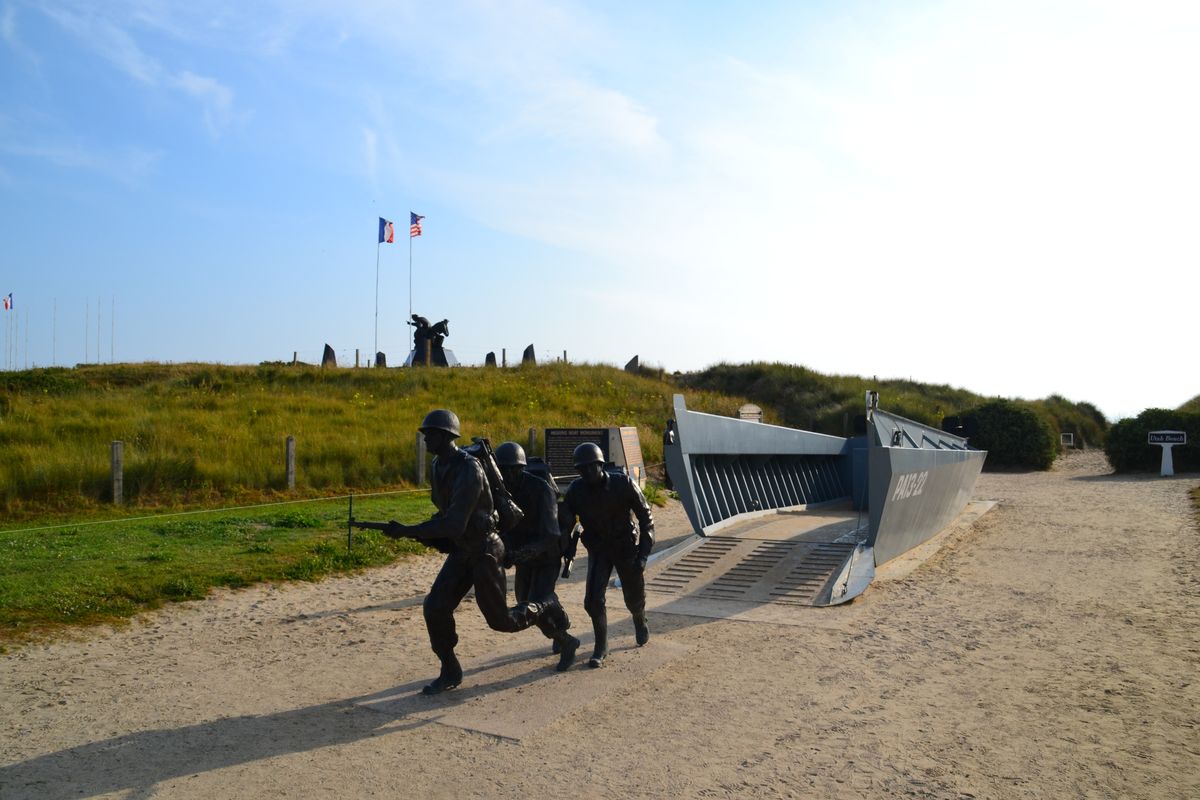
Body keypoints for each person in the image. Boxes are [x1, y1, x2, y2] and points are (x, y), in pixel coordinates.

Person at [379, 409, 576, 694]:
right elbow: (444, 514)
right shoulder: (437, 466)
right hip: (463, 550)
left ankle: (557, 624)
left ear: (447, 436)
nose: (424, 439)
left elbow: (455, 522)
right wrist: (419, 532)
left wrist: (409, 530)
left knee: (503, 621)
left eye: (430, 434)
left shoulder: (469, 468)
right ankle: (450, 670)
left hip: (485, 551)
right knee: (434, 607)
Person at [562, 442, 655, 668]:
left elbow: (646, 519)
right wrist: (565, 547)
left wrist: (643, 556)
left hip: (625, 547)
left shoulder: (623, 484)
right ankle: (601, 647)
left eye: (590, 467)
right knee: (592, 600)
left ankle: (639, 618)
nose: (585, 473)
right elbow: (564, 523)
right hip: (599, 549)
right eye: (581, 469)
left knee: (634, 597)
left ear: (600, 465)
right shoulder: (576, 491)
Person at [495, 441, 579, 671]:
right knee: (527, 599)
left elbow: (551, 534)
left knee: (534, 606)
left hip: (546, 555)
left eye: (511, 469)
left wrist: (523, 552)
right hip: (524, 558)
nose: (506, 474)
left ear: (520, 468)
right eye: (502, 469)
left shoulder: (541, 489)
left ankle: (567, 641)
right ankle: (561, 624)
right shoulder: (501, 490)